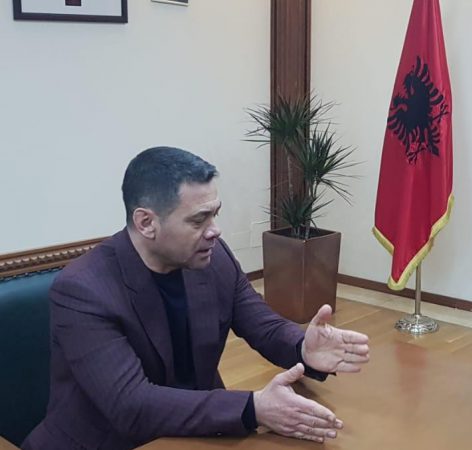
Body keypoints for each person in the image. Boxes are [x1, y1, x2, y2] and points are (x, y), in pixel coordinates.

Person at [23, 147, 371, 449]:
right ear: (146, 223)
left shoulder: (213, 258)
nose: (214, 230)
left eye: (214, 213)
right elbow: (131, 406)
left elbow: (261, 324)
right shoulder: (84, 289)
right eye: (198, 220)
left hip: (196, 433)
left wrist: (302, 347)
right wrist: (253, 407)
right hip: (110, 442)